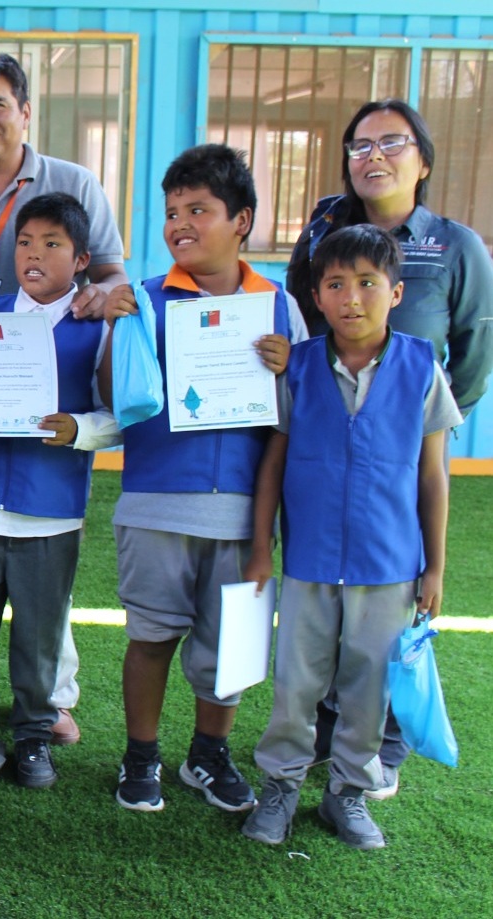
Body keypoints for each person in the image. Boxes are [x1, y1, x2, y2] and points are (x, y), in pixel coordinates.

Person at [284, 99, 493, 797]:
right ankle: (314, 743)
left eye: (391, 143)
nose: (372, 155)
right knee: (316, 622)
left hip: (401, 435)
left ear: (422, 160)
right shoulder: (324, 228)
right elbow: (298, 317)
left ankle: (377, 749)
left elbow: (471, 349)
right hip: (326, 422)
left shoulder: (454, 243)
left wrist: (417, 410)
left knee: (383, 611)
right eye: (358, 144)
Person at [0, 53, 129, 741]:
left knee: (45, 572)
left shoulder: (74, 183)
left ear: (25, 110)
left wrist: (100, 300)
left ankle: (50, 696)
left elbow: (111, 277)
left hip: (53, 400)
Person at [242, 224, 456, 850]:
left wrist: (435, 569)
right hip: (309, 560)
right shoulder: (298, 367)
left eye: (367, 283)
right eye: (335, 284)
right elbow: (273, 464)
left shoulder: (421, 366)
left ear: (395, 292)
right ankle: (279, 788)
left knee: (368, 689)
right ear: (316, 293)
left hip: (390, 565)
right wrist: (262, 547)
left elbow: (433, 476)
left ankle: (348, 796)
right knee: (296, 686)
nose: (351, 298)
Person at [100, 144, 298, 813]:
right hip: (156, 502)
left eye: (199, 210)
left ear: (240, 220)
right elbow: (114, 396)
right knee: (150, 636)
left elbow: (297, 419)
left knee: (232, 646)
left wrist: (286, 370)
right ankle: (141, 755)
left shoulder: (278, 307)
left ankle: (208, 754)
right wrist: (121, 327)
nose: (180, 223)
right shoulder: (146, 301)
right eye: (172, 212)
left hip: (242, 512)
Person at [0, 193, 118, 790]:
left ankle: (34, 735)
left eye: (52, 244)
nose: (34, 254)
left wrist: (80, 429)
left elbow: (123, 414)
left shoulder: (98, 328)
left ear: (82, 258)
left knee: (39, 636)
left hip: (51, 509)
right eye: (24, 242)